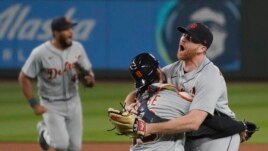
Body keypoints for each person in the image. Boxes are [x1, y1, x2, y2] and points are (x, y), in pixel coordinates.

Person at [125, 23, 243, 151]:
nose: (183, 39)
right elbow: (141, 91)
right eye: (184, 35)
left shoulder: (209, 76)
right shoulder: (172, 70)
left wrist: (148, 128)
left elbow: (194, 122)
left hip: (219, 136)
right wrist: (128, 106)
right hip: (189, 135)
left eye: (190, 38)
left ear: (201, 49)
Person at [18, 16, 95, 151]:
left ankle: (48, 132)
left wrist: (89, 79)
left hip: (74, 102)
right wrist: (33, 104)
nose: (70, 32)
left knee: (75, 147)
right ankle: (44, 132)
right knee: (61, 145)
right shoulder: (40, 53)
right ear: (56, 32)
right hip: (51, 104)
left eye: (71, 29)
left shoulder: (78, 48)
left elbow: (88, 72)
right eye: (65, 29)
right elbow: (24, 78)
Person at [127, 52, 192, 151]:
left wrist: (127, 106)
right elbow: (200, 116)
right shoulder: (173, 97)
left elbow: (134, 94)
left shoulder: (137, 103)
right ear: (157, 69)